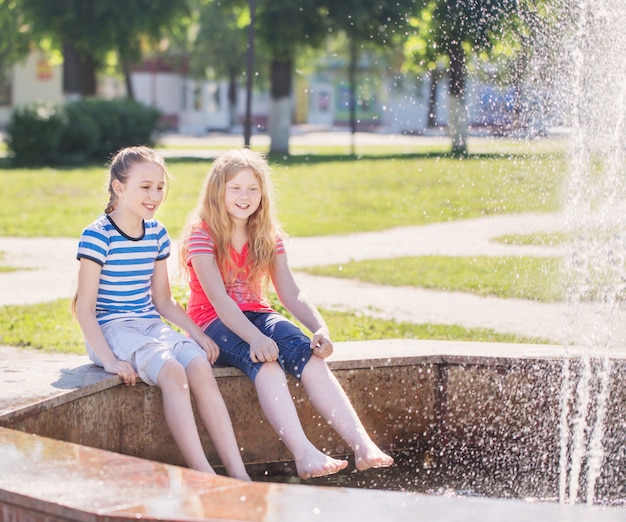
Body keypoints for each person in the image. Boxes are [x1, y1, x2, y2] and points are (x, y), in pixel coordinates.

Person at [178, 148, 394, 480]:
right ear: (217, 190)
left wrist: (319, 328)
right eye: (235, 188)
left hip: (257, 314)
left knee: (310, 355)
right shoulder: (202, 233)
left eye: (253, 188)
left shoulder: (266, 234)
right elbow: (219, 300)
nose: (244, 196)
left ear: (263, 193)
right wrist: (255, 338)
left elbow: (290, 293)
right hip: (212, 322)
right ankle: (304, 454)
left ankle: (362, 445)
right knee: (266, 363)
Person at [72, 146, 250, 481]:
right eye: (145, 187)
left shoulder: (156, 233)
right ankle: (204, 476)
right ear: (118, 187)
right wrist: (109, 360)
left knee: (198, 364)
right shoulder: (98, 235)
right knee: (171, 371)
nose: (154, 195)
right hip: (111, 330)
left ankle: (240, 475)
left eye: (159, 187)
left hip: (149, 325)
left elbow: (164, 301)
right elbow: (84, 309)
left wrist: (197, 334)